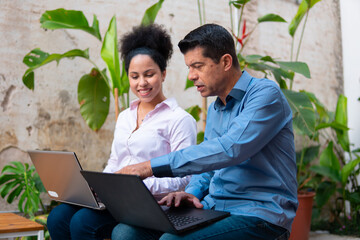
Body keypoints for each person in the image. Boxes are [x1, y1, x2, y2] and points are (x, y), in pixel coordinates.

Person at [112, 23, 298, 240]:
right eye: (189, 67)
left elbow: (230, 149)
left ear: (226, 62)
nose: (191, 76)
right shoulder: (216, 108)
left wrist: (149, 167)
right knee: (126, 232)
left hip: (259, 214)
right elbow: (209, 169)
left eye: (198, 66)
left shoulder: (265, 95)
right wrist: (191, 192)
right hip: (214, 207)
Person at [47, 24, 197, 240]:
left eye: (149, 74)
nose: (142, 83)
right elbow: (115, 162)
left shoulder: (180, 119)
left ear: (163, 74)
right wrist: (101, 186)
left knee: (83, 223)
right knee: (58, 216)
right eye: (134, 76)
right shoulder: (126, 116)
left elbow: (184, 177)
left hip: (151, 205)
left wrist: (135, 186)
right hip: (115, 200)